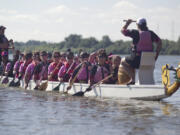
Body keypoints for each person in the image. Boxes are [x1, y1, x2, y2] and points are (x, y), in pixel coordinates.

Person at [121, 18, 162, 84]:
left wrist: (127, 23)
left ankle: (133, 79)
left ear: (137, 25)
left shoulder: (135, 33)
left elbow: (123, 31)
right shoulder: (151, 33)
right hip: (150, 60)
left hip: (137, 60)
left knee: (123, 62)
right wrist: (156, 54)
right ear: (145, 25)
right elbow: (159, 42)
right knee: (131, 61)